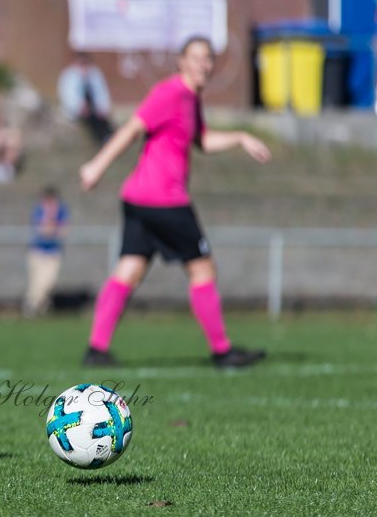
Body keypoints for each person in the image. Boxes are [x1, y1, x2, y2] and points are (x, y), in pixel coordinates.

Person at [79, 36, 270, 369]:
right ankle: (223, 352)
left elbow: (203, 141)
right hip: (164, 199)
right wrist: (97, 165)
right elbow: (132, 129)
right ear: (180, 61)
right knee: (202, 268)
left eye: (208, 58)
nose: (203, 64)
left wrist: (240, 137)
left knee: (130, 269)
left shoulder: (191, 100)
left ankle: (96, 349)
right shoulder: (168, 93)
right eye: (195, 57)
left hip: (138, 199)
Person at [24, 186, 68, 317]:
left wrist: (52, 227)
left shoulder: (61, 210)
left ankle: (36, 306)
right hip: (37, 250)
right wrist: (52, 226)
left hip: (53, 252)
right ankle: (34, 307)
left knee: (48, 282)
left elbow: (63, 231)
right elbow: (43, 230)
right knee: (36, 281)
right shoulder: (39, 210)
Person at [59, 52, 114, 146]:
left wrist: (103, 108)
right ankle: (101, 140)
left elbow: (101, 92)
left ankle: (109, 138)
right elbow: (68, 95)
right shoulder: (69, 76)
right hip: (79, 111)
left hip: (94, 108)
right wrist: (78, 106)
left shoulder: (94, 74)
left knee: (102, 121)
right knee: (93, 121)